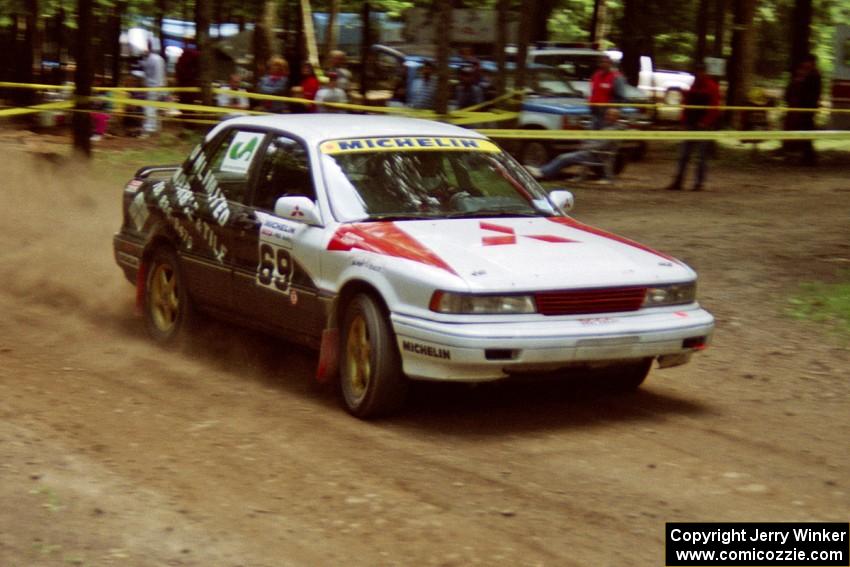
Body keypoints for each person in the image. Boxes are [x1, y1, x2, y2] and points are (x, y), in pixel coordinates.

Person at [526, 108, 624, 184]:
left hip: (597, 155)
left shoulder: (613, 130)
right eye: (607, 114)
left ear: (616, 117)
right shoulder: (608, 127)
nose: (607, 116)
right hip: (592, 152)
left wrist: (586, 146)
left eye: (610, 115)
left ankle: (542, 173)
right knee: (566, 159)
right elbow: (597, 142)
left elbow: (601, 145)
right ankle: (544, 171)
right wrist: (587, 143)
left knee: (563, 158)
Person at [666, 63, 720, 191]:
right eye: (697, 72)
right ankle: (678, 181)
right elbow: (686, 104)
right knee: (684, 155)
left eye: (700, 72)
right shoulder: (693, 86)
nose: (698, 75)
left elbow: (715, 108)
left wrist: (705, 122)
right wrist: (683, 120)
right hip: (690, 124)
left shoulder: (712, 87)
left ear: (705, 72)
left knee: (701, 157)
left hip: (704, 126)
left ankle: (698, 183)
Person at [783, 53, 822, 165]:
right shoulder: (804, 75)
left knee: (807, 131)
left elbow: (812, 93)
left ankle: (809, 157)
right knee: (801, 131)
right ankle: (801, 155)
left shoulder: (814, 75)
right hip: (799, 107)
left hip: (807, 108)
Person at [589, 55, 626, 130]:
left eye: (606, 62)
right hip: (596, 112)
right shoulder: (596, 75)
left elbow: (621, 97)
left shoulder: (617, 77)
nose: (603, 64)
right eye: (601, 62)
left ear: (610, 64)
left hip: (608, 115)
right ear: (599, 64)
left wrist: (614, 111)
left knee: (605, 136)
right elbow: (592, 92)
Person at [141, 40, 166, 136]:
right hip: (155, 86)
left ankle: (150, 128)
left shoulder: (153, 59)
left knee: (150, 108)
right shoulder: (154, 59)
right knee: (154, 108)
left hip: (154, 86)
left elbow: (154, 75)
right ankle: (155, 127)